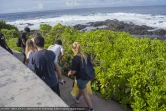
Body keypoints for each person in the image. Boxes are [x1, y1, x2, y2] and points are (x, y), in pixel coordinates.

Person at [68, 42, 94, 111]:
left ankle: (91, 109)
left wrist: (69, 73)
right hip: (89, 76)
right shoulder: (86, 54)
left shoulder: (75, 58)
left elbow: (73, 72)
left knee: (85, 94)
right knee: (81, 89)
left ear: (73, 49)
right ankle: (77, 98)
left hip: (81, 79)